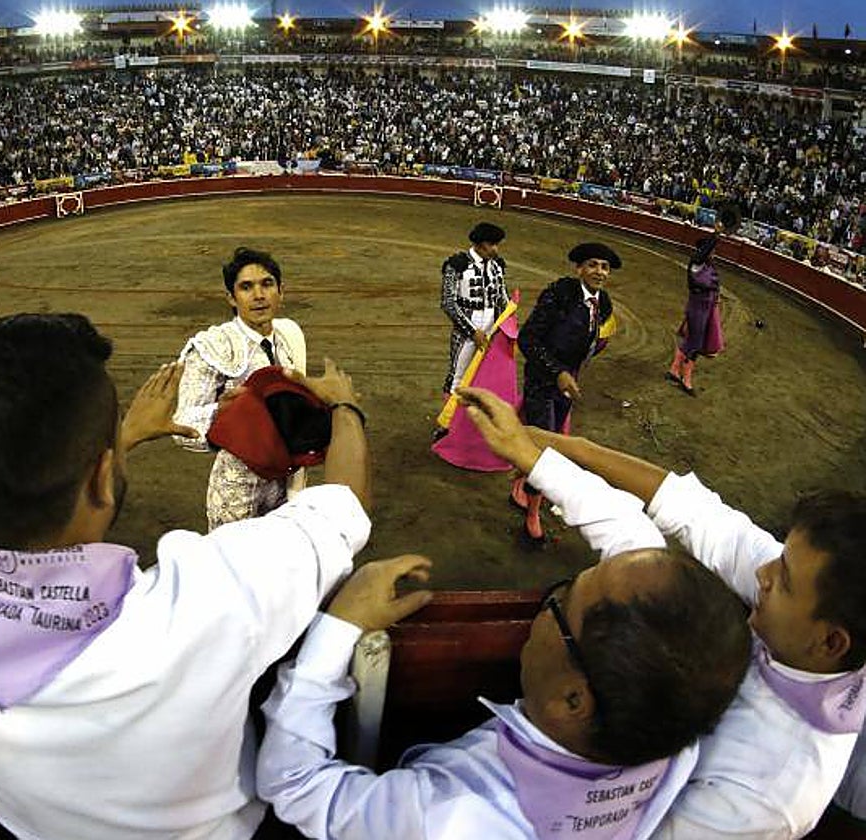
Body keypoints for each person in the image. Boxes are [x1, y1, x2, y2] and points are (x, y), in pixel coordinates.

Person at [0, 313, 372, 840]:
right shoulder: (202, 604)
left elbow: (10, 486)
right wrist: (343, 404)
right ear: (101, 475)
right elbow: (344, 508)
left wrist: (128, 435)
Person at [257, 388, 751, 840]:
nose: (545, 606)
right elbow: (634, 544)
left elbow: (296, 785)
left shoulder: (453, 818)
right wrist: (533, 458)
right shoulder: (672, 731)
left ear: (574, 699)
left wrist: (337, 628)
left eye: (558, 602)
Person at [501, 403, 866, 839]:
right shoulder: (807, 626)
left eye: (783, 579)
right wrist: (569, 452)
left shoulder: (765, 796)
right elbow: (699, 517)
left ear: (830, 643)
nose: (762, 574)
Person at [173, 246, 308, 530]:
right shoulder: (214, 346)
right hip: (237, 487)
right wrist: (226, 415)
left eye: (267, 284)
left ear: (281, 292)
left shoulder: (289, 337)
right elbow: (181, 425)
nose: (259, 295)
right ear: (231, 298)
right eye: (246, 287)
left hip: (286, 481)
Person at [513, 242, 619, 542]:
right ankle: (533, 513)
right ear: (579, 269)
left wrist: (574, 367)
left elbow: (598, 338)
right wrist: (557, 371)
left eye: (604, 267)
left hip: (567, 381)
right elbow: (528, 339)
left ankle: (522, 485)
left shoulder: (604, 302)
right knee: (547, 452)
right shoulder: (558, 295)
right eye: (593, 265)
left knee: (550, 439)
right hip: (542, 381)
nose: (599, 272)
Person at [433, 221, 520, 471]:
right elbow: (448, 303)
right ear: (483, 244)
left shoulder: (497, 266)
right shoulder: (456, 265)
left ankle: (467, 427)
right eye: (494, 244)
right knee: (458, 377)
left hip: (492, 327)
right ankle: (446, 425)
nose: (497, 249)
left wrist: (507, 325)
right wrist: (472, 331)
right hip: (467, 329)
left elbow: (501, 297)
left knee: (483, 376)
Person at [666, 236, 724, 396]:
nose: (714, 253)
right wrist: (716, 234)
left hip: (705, 308)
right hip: (698, 308)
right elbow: (701, 256)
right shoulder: (697, 264)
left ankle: (674, 370)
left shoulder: (706, 266)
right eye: (711, 250)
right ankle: (686, 380)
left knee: (691, 341)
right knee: (695, 344)